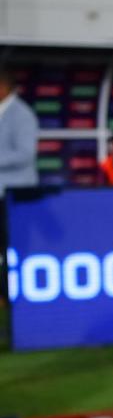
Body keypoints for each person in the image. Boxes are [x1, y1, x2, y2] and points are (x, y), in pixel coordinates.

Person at [0, 66, 38, 306]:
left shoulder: (22, 114)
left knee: (14, 248)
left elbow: (26, 154)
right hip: (3, 194)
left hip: (16, 195)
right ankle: (4, 293)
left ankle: (13, 294)